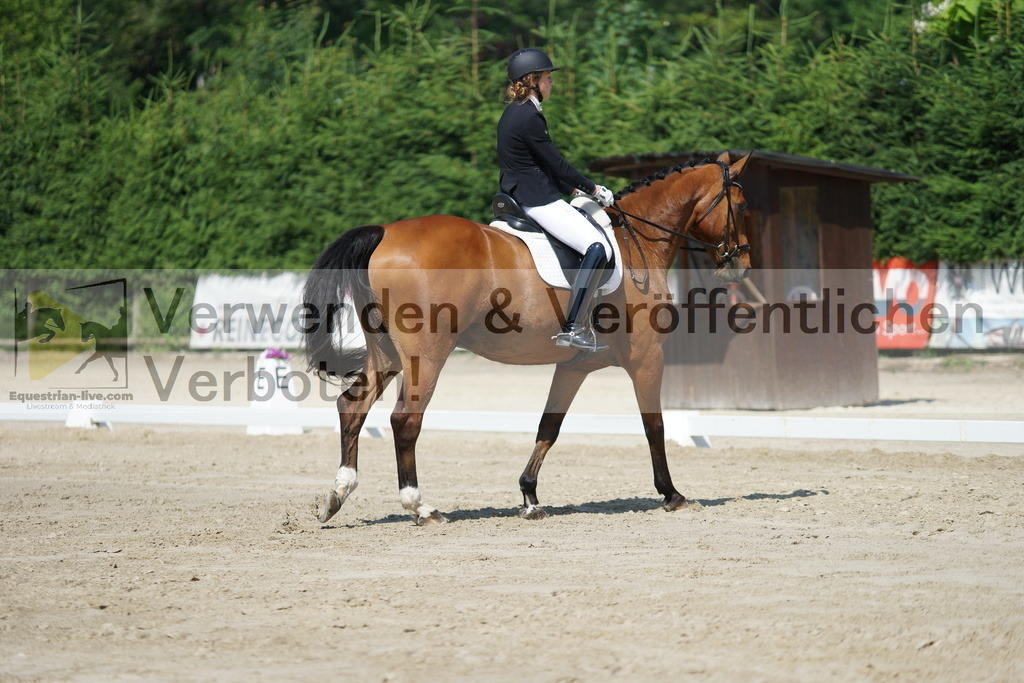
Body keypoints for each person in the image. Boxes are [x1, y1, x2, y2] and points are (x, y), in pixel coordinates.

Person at [497, 47, 615, 352]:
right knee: (597, 246)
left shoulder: (514, 111)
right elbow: (556, 162)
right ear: (533, 80)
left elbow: (539, 163)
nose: (552, 84)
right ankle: (574, 326)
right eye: (548, 78)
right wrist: (592, 189)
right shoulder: (529, 117)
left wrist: (570, 188)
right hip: (537, 198)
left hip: (522, 191)